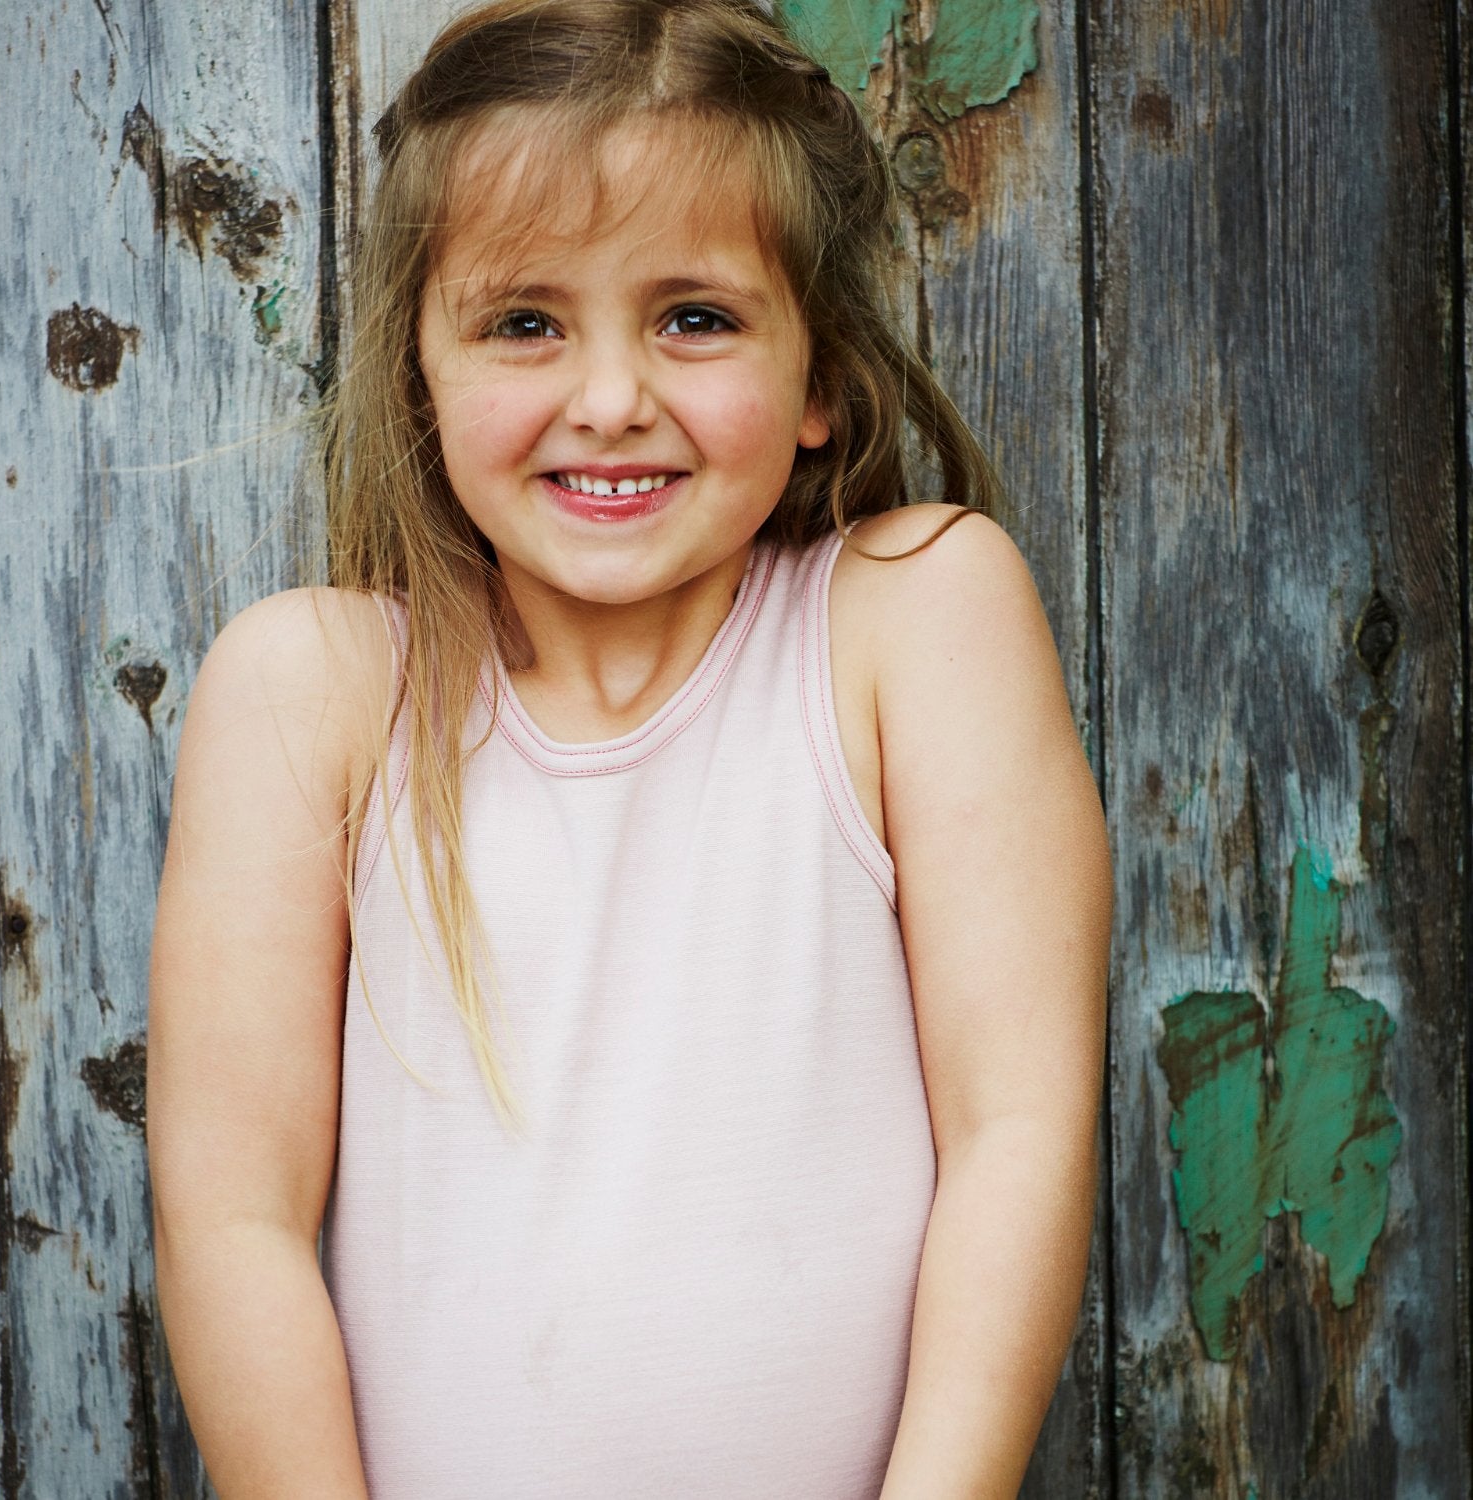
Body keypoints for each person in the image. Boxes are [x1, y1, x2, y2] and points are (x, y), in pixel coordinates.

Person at [145, 1, 1112, 1495]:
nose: (609, 401)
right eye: (524, 320)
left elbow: (1019, 1136)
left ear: (819, 381)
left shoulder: (909, 622)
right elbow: (233, 1219)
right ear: (421, 372)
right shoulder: (313, 698)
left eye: (695, 317)